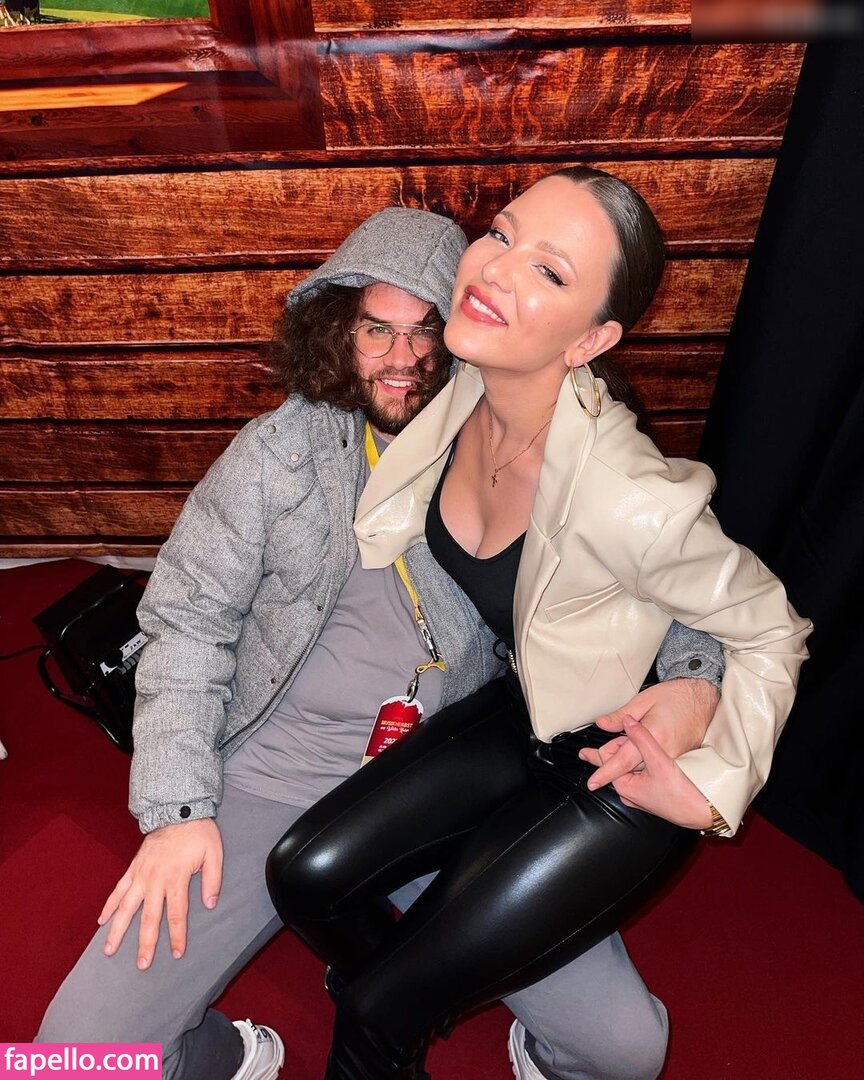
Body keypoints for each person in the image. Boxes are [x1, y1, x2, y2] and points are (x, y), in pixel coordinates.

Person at [37, 207, 725, 1080]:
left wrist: (695, 678)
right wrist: (177, 814)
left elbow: (681, 580)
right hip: (276, 767)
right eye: (375, 330)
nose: (401, 358)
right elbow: (187, 619)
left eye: (426, 331)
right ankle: (219, 1056)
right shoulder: (278, 454)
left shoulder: (528, 439)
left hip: (445, 775)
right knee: (69, 1061)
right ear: (338, 331)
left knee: (626, 1054)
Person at [266, 169, 813, 1080]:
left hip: (615, 762)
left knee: (369, 1015)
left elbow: (772, 628)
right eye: (501, 233)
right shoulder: (463, 386)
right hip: (528, 705)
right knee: (302, 874)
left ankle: (395, 1013)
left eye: (550, 271)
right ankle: (420, 986)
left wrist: (715, 785)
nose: (495, 269)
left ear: (592, 339)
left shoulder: (630, 495)